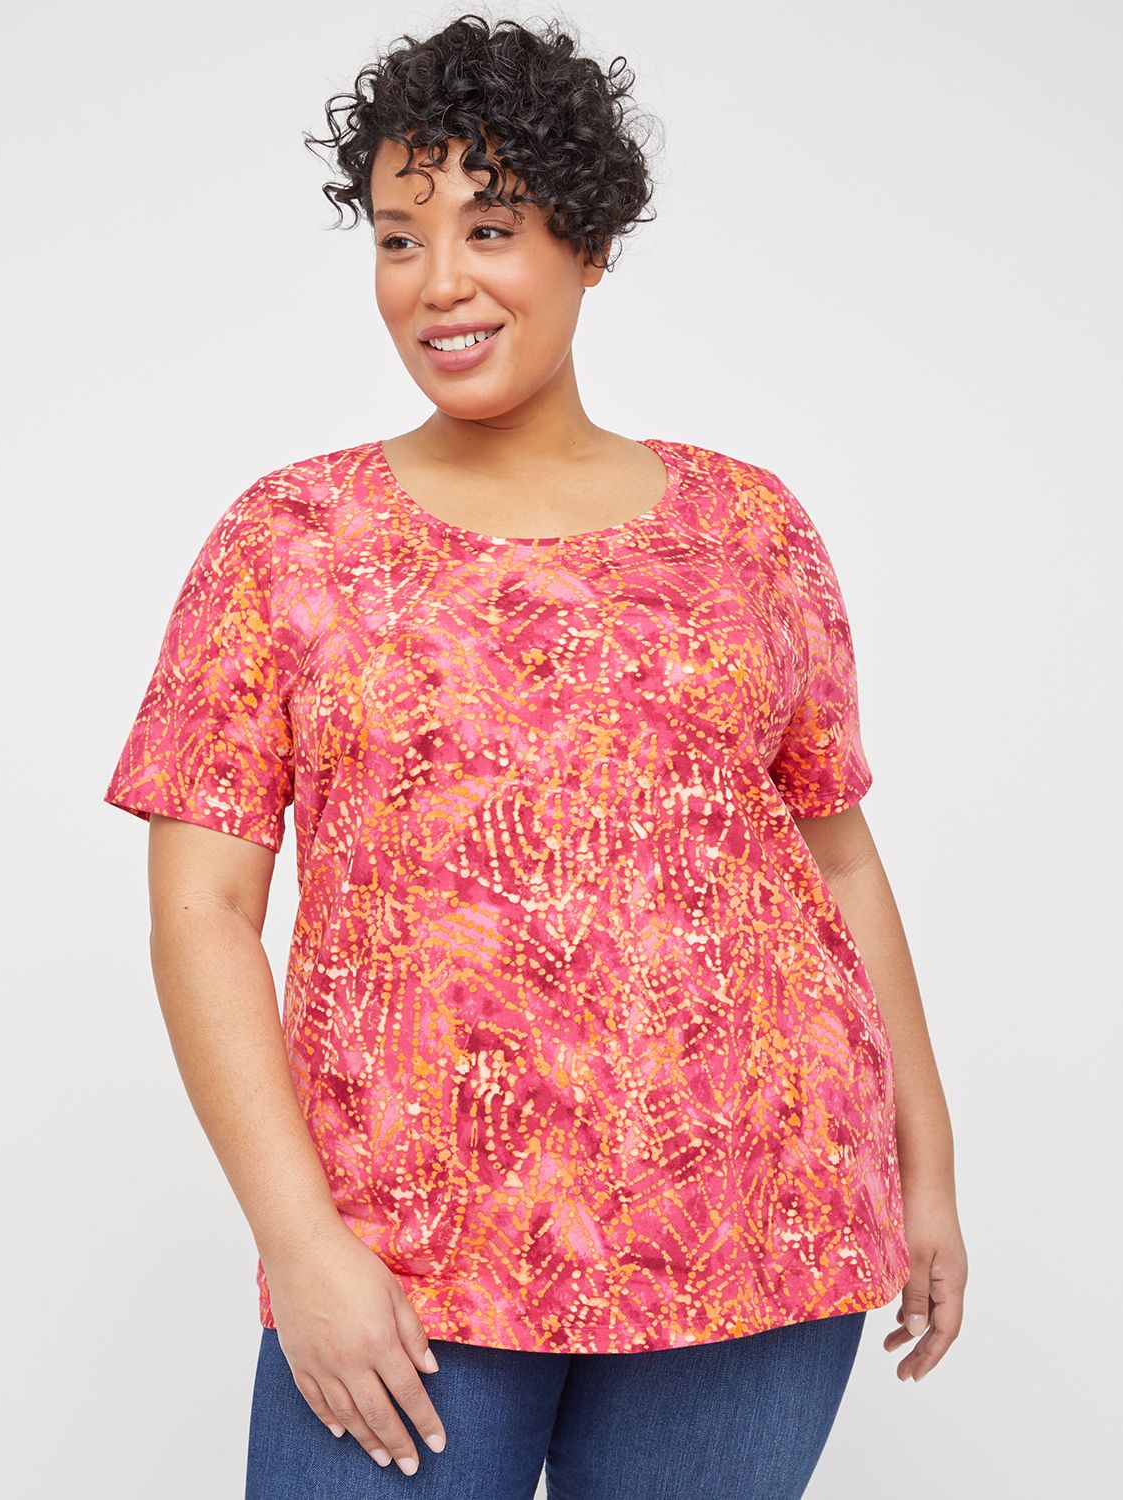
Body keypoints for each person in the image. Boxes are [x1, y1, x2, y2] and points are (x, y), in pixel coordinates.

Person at [103, 13, 967, 1498]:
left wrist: (925, 1172)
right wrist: (300, 1245)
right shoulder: (287, 541)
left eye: (490, 228)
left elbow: (836, 860)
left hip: (760, 1219)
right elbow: (203, 914)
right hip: (405, 1256)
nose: (438, 281)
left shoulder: (748, 527)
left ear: (591, 244)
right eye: (399, 238)